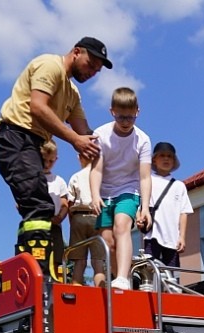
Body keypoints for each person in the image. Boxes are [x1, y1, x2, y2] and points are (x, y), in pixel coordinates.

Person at [0, 38, 108, 277]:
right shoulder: (50, 65)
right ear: (76, 52)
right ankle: (36, 271)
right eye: (92, 63)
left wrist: (115, 148)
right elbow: (38, 107)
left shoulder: (72, 93)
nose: (94, 71)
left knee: (38, 205)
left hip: (31, 144)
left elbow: (84, 132)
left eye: (98, 69)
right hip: (15, 136)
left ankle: (34, 267)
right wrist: (75, 140)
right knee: (38, 205)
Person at [89, 87, 152, 290]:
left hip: (128, 190)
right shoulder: (101, 135)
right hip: (106, 192)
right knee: (108, 240)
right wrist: (95, 194)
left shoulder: (142, 139)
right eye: (121, 117)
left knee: (121, 226)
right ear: (112, 112)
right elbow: (96, 170)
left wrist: (145, 207)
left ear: (138, 113)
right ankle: (118, 277)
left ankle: (123, 277)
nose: (126, 122)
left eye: (130, 117)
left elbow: (144, 176)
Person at [144, 141, 193, 267]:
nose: (166, 159)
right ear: (154, 160)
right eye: (162, 155)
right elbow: (142, 202)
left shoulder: (179, 186)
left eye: (169, 156)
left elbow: (183, 212)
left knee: (171, 275)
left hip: (172, 238)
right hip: (153, 234)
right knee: (150, 270)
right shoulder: (148, 180)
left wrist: (182, 237)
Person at [66, 163, 101, 284]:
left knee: (79, 261)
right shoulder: (102, 175)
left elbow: (69, 202)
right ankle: (101, 295)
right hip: (97, 216)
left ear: (79, 158)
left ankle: (76, 294)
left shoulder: (76, 176)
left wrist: (73, 222)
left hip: (78, 216)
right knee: (98, 261)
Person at [41, 141, 71, 279]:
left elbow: (65, 203)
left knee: (54, 257)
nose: (47, 164)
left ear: (56, 159)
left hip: (54, 226)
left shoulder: (58, 181)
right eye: (44, 160)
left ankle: (51, 283)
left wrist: (59, 217)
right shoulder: (32, 178)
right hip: (36, 225)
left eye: (51, 161)